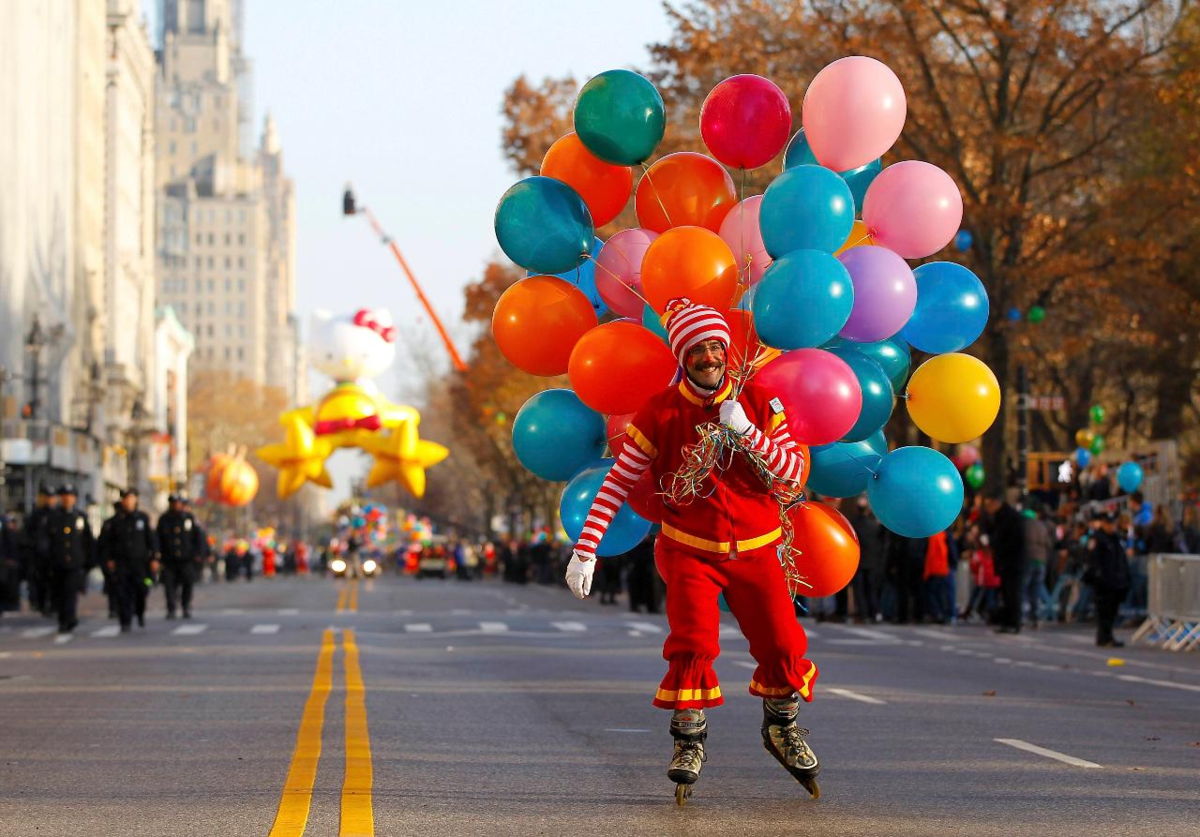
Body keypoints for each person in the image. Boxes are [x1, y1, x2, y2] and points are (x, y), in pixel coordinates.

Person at [564, 298, 820, 802]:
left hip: (758, 547)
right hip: (690, 551)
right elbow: (619, 481)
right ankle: (688, 740)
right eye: (698, 349)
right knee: (693, 643)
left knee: (784, 643)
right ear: (683, 357)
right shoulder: (660, 411)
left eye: (715, 346)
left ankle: (781, 727)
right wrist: (586, 548)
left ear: (727, 349)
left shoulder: (760, 399)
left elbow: (791, 472)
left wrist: (747, 434)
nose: (709, 356)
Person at [97, 488, 157, 632]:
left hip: (140, 563)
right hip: (121, 563)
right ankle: (125, 621)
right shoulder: (114, 522)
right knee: (123, 592)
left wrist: (154, 557)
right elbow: (105, 543)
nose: (129, 501)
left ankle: (140, 612)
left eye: (132, 498)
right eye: (126, 499)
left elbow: (151, 540)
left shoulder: (143, 518)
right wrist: (109, 559)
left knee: (142, 590)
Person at [45, 484, 94, 633]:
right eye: (65, 496)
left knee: (71, 591)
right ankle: (63, 618)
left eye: (70, 496)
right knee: (59, 592)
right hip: (57, 562)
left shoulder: (80, 517)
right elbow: (46, 540)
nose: (67, 499)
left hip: (75, 562)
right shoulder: (53, 517)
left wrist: (88, 561)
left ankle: (70, 618)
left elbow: (88, 541)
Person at [1085, 510, 1131, 647]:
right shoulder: (1098, 538)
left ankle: (1108, 636)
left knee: (1112, 611)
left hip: (1115, 581)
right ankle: (1103, 637)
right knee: (1103, 611)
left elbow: (1121, 559)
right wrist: (1098, 576)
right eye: (1108, 524)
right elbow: (1093, 559)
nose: (1111, 526)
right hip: (1103, 582)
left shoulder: (1115, 538)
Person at [983, 490, 1026, 634]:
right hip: (1008, 561)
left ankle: (1013, 622)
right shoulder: (1004, 517)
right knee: (1007, 594)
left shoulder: (1008, 518)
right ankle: (1009, 622)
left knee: (1012, 593)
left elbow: (1010, 540)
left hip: (1011, 562)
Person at [156, 494, 206, 619]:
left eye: (178, 503)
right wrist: (157, 555)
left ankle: (186, 605)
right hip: (169, 559)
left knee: (187, 583)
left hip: (186, 559)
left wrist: (198, 554)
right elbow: (157, 539)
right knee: (169, 585)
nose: (176, 505)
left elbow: (198, 538)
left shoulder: (189, 518)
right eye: (174, 503)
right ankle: (171, 608)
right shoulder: (164, 519)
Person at [20, 483, 59, 616]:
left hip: (54, 556)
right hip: (38, 557)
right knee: (39, 582)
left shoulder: (59, 514)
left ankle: (53, 605)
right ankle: (41, 604)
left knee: (55, 583)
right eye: (46, 497)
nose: (49, 500)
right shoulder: (35, 515)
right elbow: (26, 536)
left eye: (52, 497)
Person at [845, 498, 884, 623]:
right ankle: (875, 612)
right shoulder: (873, 526)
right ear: (867, 510)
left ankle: (863, 613)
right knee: (871, 589)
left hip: (858, 562)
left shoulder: (853, 524)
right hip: (872, 562)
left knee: (859, 590)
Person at [1021, 505, 1053, 628]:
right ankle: (1035, 617)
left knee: (1023, 589)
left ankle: (1022, 616)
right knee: (1036, 590)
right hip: (1041, 560)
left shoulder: (1024, 526)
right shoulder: (1041, 526)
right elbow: (1048, 543)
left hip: (1028, 559)